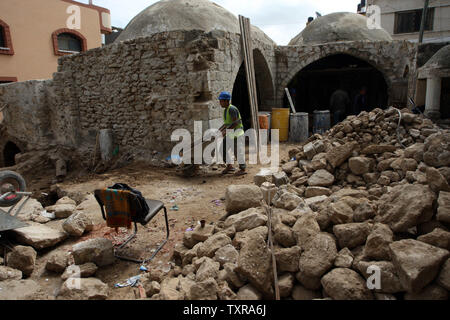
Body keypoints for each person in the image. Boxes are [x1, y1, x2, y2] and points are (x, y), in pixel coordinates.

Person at [218, 91, 247, 176]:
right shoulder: (226, 110)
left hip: (237, 134)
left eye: (221, 101)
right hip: (231, 134)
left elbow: (236, 123)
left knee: (237, 151)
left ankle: (242, 168)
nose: (220, 103)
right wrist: (219, 130)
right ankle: (229, 166)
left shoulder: (232, 109)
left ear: (227, 101)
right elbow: (227, 123)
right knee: (222, 149)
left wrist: (224, 132)